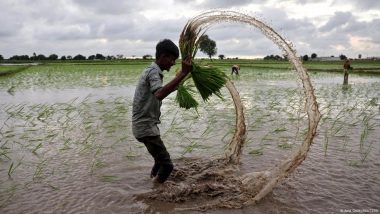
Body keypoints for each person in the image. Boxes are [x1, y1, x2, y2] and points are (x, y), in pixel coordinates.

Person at [132, 39, 192, 183]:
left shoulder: (153, 71)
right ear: (163, 56)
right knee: (167, 166)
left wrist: (179, 79)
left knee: (159, 161)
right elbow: (159, 94)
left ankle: (152, 179)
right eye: (172, 59)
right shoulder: (153, 72)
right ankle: (155, 193)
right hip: (145, 128)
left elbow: (159, 93)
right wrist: (183, 73)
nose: (173, 63)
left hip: (146, 126)